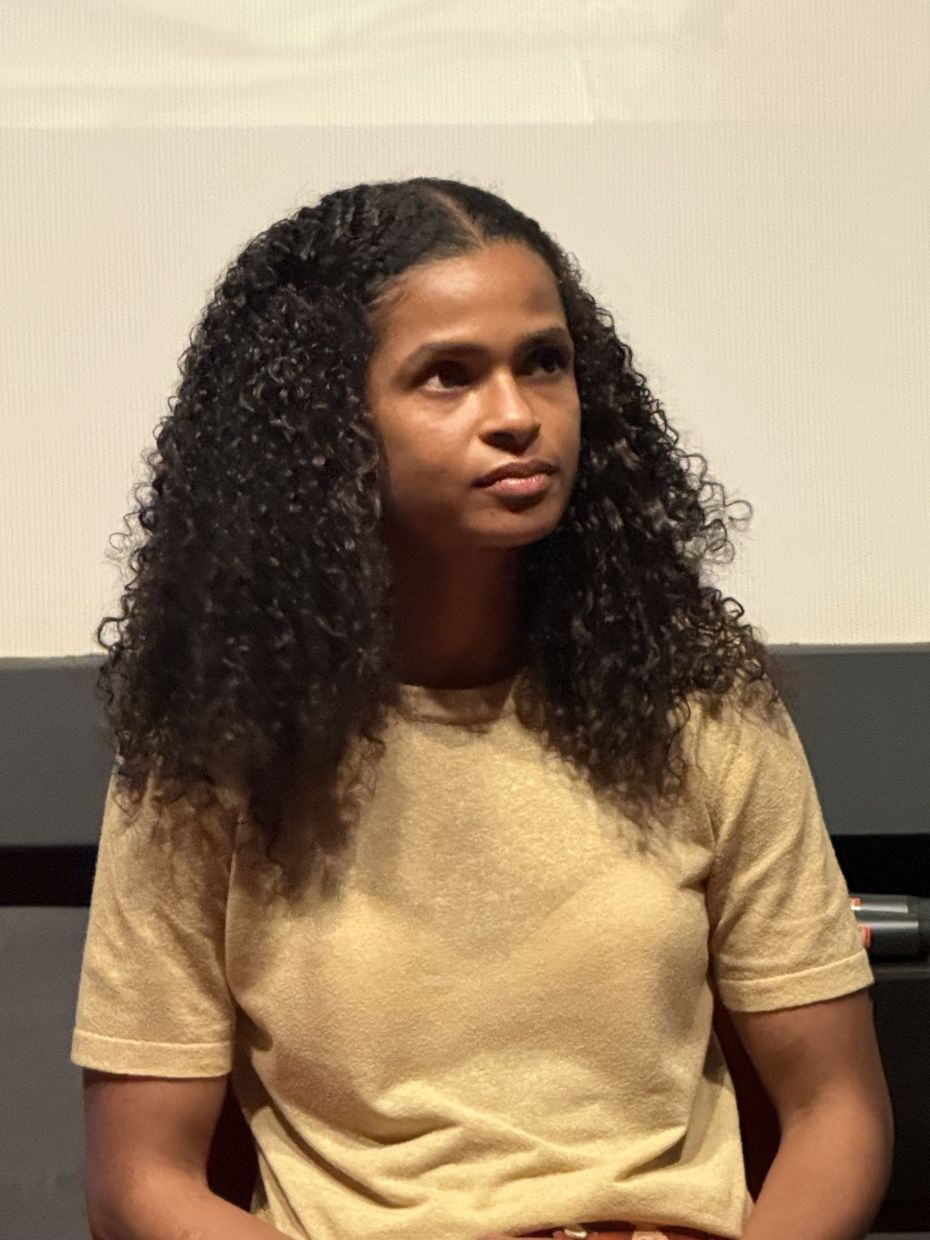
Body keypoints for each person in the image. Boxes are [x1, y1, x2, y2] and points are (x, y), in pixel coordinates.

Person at [71, 177, 892, 1240]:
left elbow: (839, 1113)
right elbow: (141, 1183)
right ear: (329, 429)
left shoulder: (699, 706)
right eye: (447, 376)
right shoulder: (212, 748)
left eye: (543, 362)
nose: (516, 416)